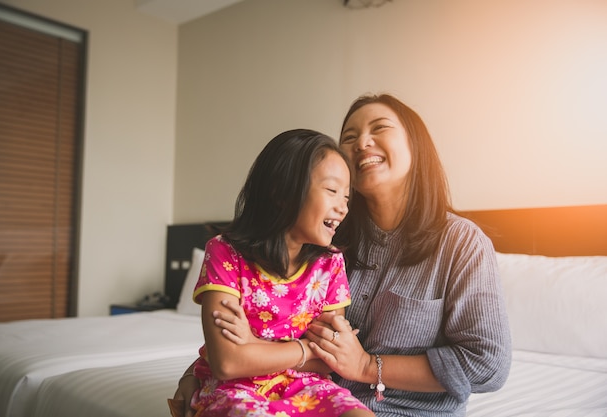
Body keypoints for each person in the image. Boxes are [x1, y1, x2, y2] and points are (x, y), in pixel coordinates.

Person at [173, 94, 512, 417]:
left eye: (379, 128)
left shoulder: (461, 243)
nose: (362, 143)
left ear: (415, 145)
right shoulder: (324, 240)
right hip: (307, 399)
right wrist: (198, 375)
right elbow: (270, 326)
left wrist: (366, 366)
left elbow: (487, 365)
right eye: (350, 137)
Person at [169, 129, 374, 417]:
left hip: (307, 386)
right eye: (331, 191)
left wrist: (252, 347)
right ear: (282, 193)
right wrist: (306, 349)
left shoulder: (330, 264)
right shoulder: (225, 253)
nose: (343, 208)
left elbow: (329, 360)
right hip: (235, 389)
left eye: (347, 197)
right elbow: (227, 363)